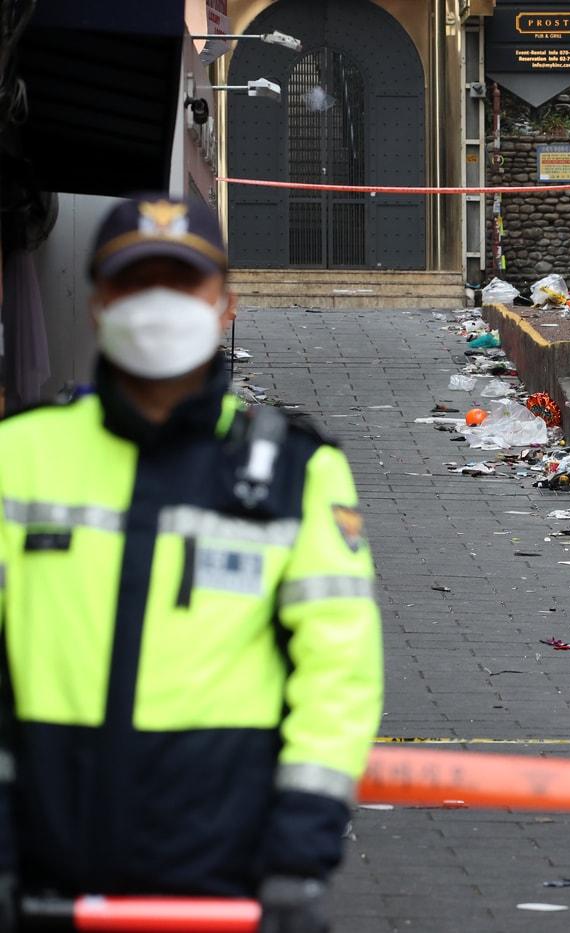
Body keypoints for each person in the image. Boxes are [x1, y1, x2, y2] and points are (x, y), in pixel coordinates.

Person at [0, 195, 383, 932]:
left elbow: (340, 673)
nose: (158, 305)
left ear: (225, 305)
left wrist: (298, 861)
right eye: (135, 283)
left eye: (183, 283)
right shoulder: (21, 457)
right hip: (41, 876)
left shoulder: (295, 472)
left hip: (222, 882)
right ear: (97, 304)